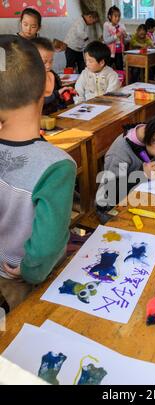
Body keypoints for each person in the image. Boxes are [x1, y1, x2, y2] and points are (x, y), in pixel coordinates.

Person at [0, 35, 76, 311]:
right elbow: (45, 249)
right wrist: (29, 270)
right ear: (48, 83)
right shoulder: (56, 166)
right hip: (22, 282)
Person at [32, 37, 72, 114]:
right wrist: (57, 94)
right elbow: (35, 102)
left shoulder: (52, 74)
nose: (48, 66)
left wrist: (64, 94)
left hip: (54, 115)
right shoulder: (27, 78)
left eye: (51, 61)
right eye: (44, 62)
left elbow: (58, 95)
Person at [103, 6, 129, 71]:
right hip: (109, 53)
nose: (117, 18)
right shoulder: (107, 26)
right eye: (115, 16)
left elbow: (127, 41)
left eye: (119, 16)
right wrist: (116, 36)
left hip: (119, 52)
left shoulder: (121, 26)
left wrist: (126, 36)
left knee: (120, 70)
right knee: (106, 70)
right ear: (109, 16)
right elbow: (106, 41)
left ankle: (119, 81)